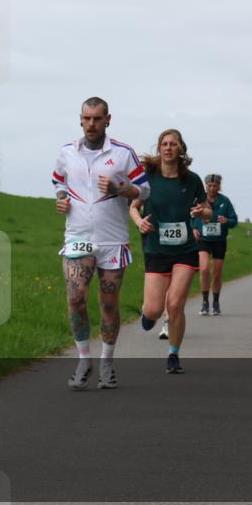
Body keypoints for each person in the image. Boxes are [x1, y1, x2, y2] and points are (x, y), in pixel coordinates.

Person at [52, 97, 150, 391]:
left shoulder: (123, 154)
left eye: (97, 119)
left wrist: (122, 188)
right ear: (80, 119)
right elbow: (58, 181)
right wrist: (61, 200)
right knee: (75, 298)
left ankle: (107, 362)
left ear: (108, 120)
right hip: (78, 237)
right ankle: (84, 359)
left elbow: (144, 191)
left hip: (112, 239)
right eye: (86, 118)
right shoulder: (67, 152)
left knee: (108, 303)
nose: (91, 124)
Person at [131, 129, 210, 374]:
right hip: (156, 248)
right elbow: (134, 206)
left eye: (173, 144)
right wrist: (139, 222)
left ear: (181, 149)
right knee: (154, 309)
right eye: (164, 144)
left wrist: (200, 213)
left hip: (185, 250)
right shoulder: (148, 177)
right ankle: (149, 314)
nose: (168, 148)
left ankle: (173, 355)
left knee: (175, 304)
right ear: (159, 149)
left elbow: (207, 211)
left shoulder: (192, 179)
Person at [192, 173, 238, 316]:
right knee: (204, 269)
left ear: (219, 186)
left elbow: (234, 220)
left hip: (219, 241)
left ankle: (216, 302)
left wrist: (227, 221)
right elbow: (190, 215)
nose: (212, 188)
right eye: (209, 185)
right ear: (206, 185)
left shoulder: (225, 201)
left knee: (217, 273)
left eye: (215, 185)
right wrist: (193, 228)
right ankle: (205, 301)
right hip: (203, 240)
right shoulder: (199, 200)